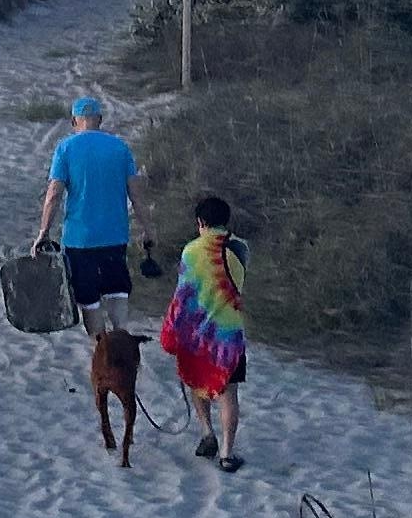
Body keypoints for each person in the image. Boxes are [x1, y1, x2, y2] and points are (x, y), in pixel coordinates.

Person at [34, 90, 156, 331]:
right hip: (115, 236)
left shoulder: (66, 148)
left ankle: (100, 349)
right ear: (100, 120)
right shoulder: (120, 148)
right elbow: (136, 194)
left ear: (73, 122)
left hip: (80, 240)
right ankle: (120, 336)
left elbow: (54, 194)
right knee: (117, 291)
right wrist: (147, 229)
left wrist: (43, 232)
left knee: (89, 301)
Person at [159, 194, 250, 469]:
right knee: (228, 394)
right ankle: (226, 454)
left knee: (197, 383)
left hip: (197, 335)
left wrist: (170, 328)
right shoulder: (240, 249)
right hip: (228, 336)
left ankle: (206, 432)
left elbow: (183, 295)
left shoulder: (190, 251)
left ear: (201, 222)